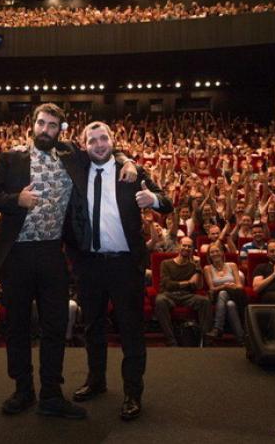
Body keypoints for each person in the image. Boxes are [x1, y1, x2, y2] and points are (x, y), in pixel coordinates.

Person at [0, 103, 136, 419]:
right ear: (32, 124)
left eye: (52, 125)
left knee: (54, 325)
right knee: (18, 326)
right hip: (17, 255)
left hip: (53, 252)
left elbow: (104, 151)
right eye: (41, 123)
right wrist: (16, 200)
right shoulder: (12, 158)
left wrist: (127, 160)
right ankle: (23, 390)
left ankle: (51, 394)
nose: (45, 129)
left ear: (61, 130)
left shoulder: (70, 155)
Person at [66, 121, 172, 421]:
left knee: (130, 330)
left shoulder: (132, 171)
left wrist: (153, 200)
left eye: (104, 138)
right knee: (92, 328)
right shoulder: (77, 170)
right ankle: (96, 381)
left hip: (126, 265)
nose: (99, 145)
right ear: (84, 145)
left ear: (113, 140)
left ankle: (133, 393)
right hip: (89, 265)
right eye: (92, 140)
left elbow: (167, 203)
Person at [154, 237, 212, 347]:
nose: (186, 248)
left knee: (205, 301)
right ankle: (171, 341)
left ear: (192, 249)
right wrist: (188, 282)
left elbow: (198, 286)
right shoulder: (166, 263)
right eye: (184, 245)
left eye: (189, 246)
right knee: (160, 301)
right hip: (169, 295)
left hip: (187, 296)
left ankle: (205, 340)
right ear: (178, 246)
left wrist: (198, 268)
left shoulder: (193, 265)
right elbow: (168, 285)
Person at [203, 244, 246, 343]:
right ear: (209, 255)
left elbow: (239, 286)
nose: (215, 254)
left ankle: (218, 328)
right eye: (212, 252)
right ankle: (241, 337)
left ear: (222, 252)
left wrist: (232, 286)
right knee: (225, 297)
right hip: (216, 296)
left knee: (230, 302)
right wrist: (224, 286)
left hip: (234, 295)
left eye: (217, 251)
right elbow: (212, 289)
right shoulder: (207, 268)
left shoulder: (232, 265)